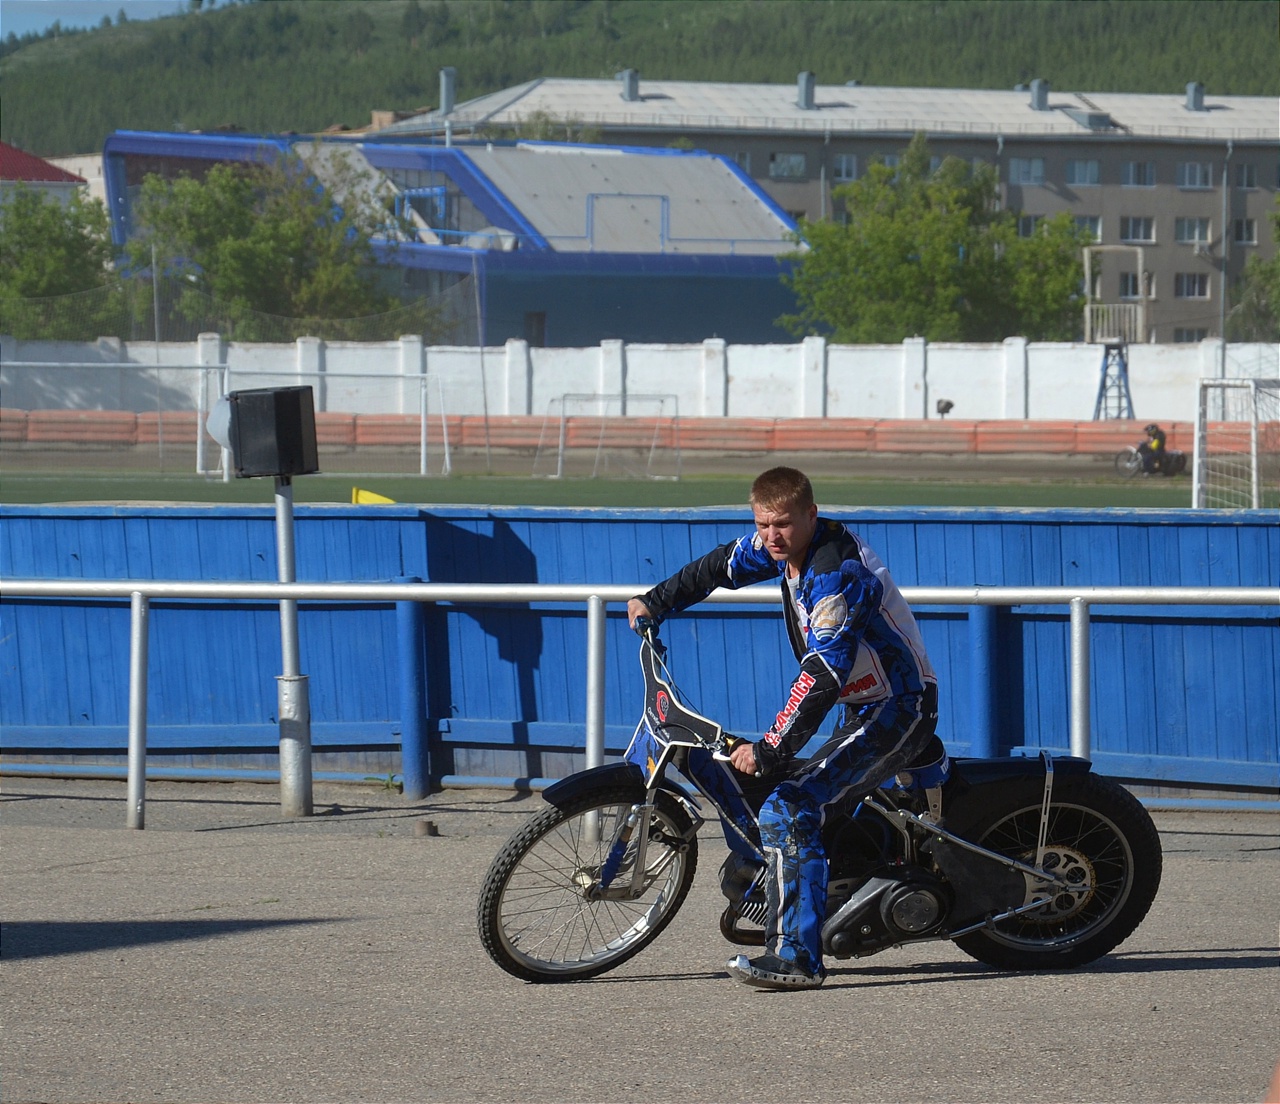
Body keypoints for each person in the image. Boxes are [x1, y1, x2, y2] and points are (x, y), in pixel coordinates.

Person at [626, 467, 938, 990]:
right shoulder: (780, 549)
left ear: (811, 515)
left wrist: (769, 747)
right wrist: (656, 601)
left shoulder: (835, 575)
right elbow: (719, 567)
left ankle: (798, 959)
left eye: (784, 524)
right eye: (763, 523)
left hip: (898, 709)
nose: (772, 535)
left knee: (791, 806)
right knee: (789, 794)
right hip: (859, 706)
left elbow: (822, 674)